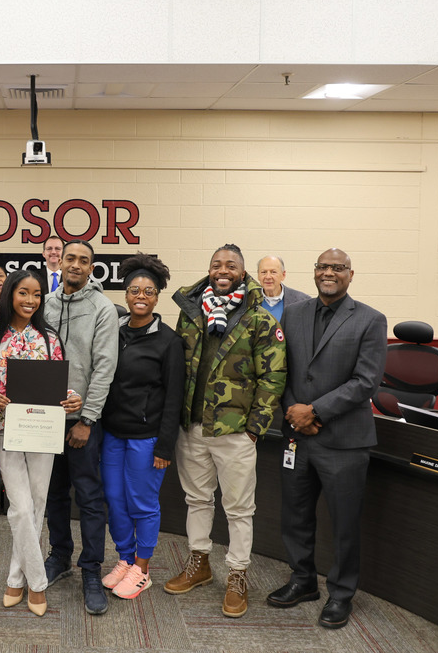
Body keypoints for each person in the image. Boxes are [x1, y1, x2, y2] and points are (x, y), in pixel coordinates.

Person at [266, 248, 387, 630]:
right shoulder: (293, 312)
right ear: (314, 272)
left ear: (351, 274)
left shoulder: (370, 320)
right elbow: (280, 369)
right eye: (323, 267)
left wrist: (314, 411)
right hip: (297, 437)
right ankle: (302, 581)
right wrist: (294, 412)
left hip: (344, 441)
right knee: (296, 516)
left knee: (344, 523)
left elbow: (366, 382)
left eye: (337, 268)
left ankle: (340, 594)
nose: (329, 273)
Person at [165, 244, 286, 619]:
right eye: (216, 264)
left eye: (230, 265)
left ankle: (237, 574)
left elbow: (274, 376)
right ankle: (199, 562)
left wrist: (254, 429)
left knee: (238, 508)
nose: (222, 270)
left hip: (235, 432)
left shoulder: (260, 317)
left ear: (242, 271)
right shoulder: (190, 311)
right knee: (197, 499)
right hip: (193, 426)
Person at [0, 270, 80, 617]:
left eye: (37, 294)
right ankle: (37, 584)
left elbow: (58, 385)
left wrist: (72, 398)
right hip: (5, 429)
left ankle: (14, 578)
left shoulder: (49, 338)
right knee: (21, 508)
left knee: (36, 505)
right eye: (23, 293)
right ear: (10, 294)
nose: (30, 300)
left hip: (43, 429)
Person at [99, 254, 184, 600]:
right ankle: (124, 558)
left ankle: (143, 569)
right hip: (112, 434)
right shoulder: (113, 332)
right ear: (125, 293)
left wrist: (165, 446)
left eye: (148, 291)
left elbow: (174, 398)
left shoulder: (168, 341)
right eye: (134, 289)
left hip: (146, 439)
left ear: (157, 296)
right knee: (115, 501)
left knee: (142, 503)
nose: (140, 296)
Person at [43, 239, 119, 616]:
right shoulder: (44, 303)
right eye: (70, 258)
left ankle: (91, 569)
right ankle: (59, 555)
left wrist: (87, 419)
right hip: (44, 421)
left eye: (83, 260)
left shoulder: (103, 308)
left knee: (89, 498)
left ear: (92, 267)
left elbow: (105, 368)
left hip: (83, 424)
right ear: (61, 262)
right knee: (54, 495)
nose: (75, 264)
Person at [257, 255, 310, 323]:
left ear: (283, 275)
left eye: (273, 272)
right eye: (263, 272)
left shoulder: (303, 301)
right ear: (258, 275)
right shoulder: (249, 300)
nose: (268, 277)